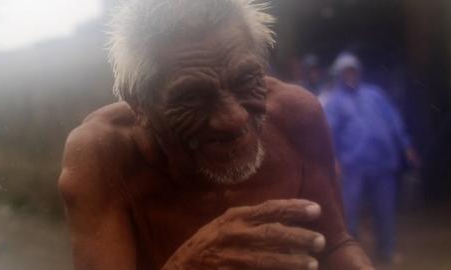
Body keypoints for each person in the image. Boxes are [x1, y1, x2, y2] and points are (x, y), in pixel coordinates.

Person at [58, 1, 374, 269]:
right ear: (138, 103)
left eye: (246, 79)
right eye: (193, 97)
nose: (234, 119)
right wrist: (188, 264)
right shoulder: (103, 157)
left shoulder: (297, 116)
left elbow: (335, 245)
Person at [321, 52, 419, 264]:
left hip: (383, 163)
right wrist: (333, 161)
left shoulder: (375, 94)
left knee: (385, 212)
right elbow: (328, 134)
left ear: (359, 72)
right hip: (353, 166)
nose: (350, 75)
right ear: (339, 74)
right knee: (349, 214)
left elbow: (394, 120)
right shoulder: (334, 102)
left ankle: (387, 251)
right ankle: (348, 257)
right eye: (345, 71)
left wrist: (406, 145)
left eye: (353, 70)